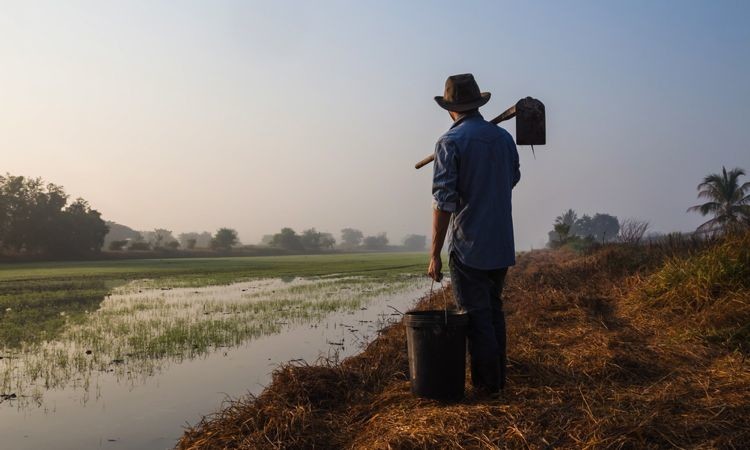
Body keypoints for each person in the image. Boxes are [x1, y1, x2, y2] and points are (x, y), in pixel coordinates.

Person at [427, 73, 520, 395]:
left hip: (469, 246)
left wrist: (434, 255)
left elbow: (444, 203)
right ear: (478, 103)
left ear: (450, 108)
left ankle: (487, 387)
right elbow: (512, 178)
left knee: (477, 317)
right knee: (493, 312)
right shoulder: (503, 138)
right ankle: (497, 382)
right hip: (501, 241)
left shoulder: (449, 143)